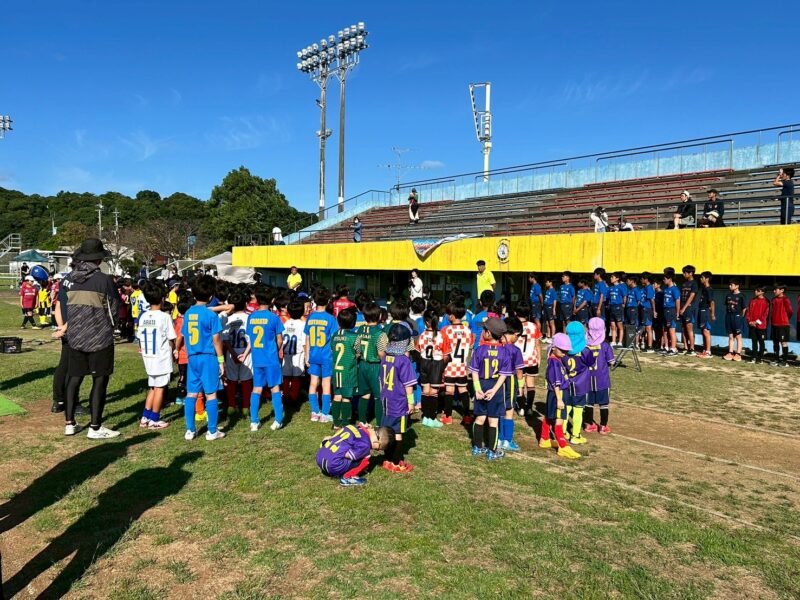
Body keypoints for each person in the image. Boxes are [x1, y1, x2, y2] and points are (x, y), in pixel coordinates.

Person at [55, 238, 121, 440]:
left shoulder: (70, 279)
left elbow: (63, 306)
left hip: (75, 336)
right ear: (99, 259)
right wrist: (112, 326)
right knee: (99, 380)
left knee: (74, 378)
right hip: (100, 337)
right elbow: (113, 310)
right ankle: (95, 426)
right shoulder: (104, 280)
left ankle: (69, 423)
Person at [181, 275, 225, 441]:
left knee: (191, 393)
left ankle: (190, 430)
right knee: (211, 394)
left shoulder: (188, 313)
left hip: (192, 357)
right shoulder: (210, 315)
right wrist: (221, 361)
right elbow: (216, 340)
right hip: (208, 357)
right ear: (211, 296)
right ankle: (212, 431)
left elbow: (185, 335)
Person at [469, 318, 513, 461]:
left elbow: (474, 371)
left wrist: (477, 389)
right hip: (496, 388)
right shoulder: (505, 352)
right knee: (493, 421)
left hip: (482, 385)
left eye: (484, 329)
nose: (482, 331)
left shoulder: (479, 350)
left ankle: (477, 447)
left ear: (488, 333)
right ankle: (492, 451)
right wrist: (494, 390)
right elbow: (503, 375)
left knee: (480, 418)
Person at [136, 282, 176, 430]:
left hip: (148, 356)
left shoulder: (143, 316)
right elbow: (172, 337)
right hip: (161, 356)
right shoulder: (164, 317)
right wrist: (175, 351)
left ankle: (145, 417)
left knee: (152, 386)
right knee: (160, 387)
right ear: (163, 298)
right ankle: (154, 419)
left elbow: (140, 336)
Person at [380, 324, 418, 473]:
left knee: (387, 429)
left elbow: (380, 380)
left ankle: (387, 458)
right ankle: (395, 462)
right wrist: (411, 402)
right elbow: (408, 385)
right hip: (399, 401)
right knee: (397, 432)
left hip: (386, 399)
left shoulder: (385, 357)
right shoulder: (404, 361)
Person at [539, 333, 580, 459]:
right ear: (554, 348)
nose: (564, 353)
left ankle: (544, 438)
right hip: (559, 394)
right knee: (559, 419)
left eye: (566, 351)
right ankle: (563, 446)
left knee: (550, 415)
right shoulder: (554, 363)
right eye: (562, 350)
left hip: (558, 393)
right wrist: (559, 399)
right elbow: (555, 383)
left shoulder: (557, 360)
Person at [316, 423, 394, 487]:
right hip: (333, 466)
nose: (378, 450)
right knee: (366, 456)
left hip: (319, 458)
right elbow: (348, 455)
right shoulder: (365, 445)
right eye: (379, 448)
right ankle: (347, 478)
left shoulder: (356, 427)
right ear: (377, 442)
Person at [305, 287, 338, 422]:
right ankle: (324, 413)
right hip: (326, 356)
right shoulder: (331, 319)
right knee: (326, 383)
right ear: (328, 300)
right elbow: (334, 339)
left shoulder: (310, 317)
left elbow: (307, 338)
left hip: (313, 354)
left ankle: (314, 411)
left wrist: (307, 356)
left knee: (313, 383)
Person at [441, 302, 474, 425]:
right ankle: (467, 416)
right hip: (462, 365)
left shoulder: (446, 330)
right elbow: (470, 345)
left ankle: (448, 416)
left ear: (452, 315)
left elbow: (442, 347)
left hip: (449, 365)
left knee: (449, 390)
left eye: (448, 314)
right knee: (463, 389)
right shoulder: (467, 330)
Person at [221, 291, 253, 415]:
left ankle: (231, 405)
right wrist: (244, 354)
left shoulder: (227, 319)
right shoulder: (250, 318)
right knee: (246, 380)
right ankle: (246, 406)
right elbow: (252, 339)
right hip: (247, 352)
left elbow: (225, 340)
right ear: (245, 304)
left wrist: (234, 354)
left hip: (231, 352)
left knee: (231, 380)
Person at [583, 318, 615, 435]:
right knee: (604, 404)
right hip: (602, 380)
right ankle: (603, 426)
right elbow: (611, 361)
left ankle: (588, 424)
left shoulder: (584, 345)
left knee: (588, 403)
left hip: (587, 380)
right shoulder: (605, 345)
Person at [330, 308, 360, 429]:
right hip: (348, 371)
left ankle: (336, 423)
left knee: (337, 396)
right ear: (353, 323)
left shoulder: (334, 335)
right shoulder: (354, 337)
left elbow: (332, 348)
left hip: (337, 371)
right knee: (347, 398)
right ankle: (346, 423)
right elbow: (358, 352)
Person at [356, 302, 384, 425]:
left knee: (364, 394)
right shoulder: (380, 333)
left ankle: (362, 421)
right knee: (378, 396)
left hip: (362, 365)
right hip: (375, 366)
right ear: (379, 316)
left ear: (363, 316)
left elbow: (357, 349)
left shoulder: (360, 329)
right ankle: (379, 423)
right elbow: (381, 353)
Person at [564, 320, 592, 444]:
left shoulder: (563, 349)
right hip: (580, 386)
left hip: (567, 384)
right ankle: (575, 435)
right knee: (578, 410)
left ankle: (563, 432)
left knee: (566, 409)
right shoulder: (585, 350)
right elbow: (590, 362)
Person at [499, 316, 525, 452]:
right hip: (510, 381)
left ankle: (498, 438)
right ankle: (507, 440)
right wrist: (520, 386)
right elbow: (519, 370)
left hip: (496, 381)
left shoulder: (496, 346)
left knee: (499, 410)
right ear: (515, 334)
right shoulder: (515, 350)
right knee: (509, 411)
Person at [417, 309, 445, 428]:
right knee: (434, 392)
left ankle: (425, 417)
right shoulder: (441, 335)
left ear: (426, 322)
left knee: (425, 390)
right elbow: (446, 353)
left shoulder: (422, 335)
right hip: (436, 364)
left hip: (424, 362)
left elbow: (418, 349)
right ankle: (432, 418)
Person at [512, 301, 541, 417]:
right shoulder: (533, 326)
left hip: (517, 360)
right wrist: (539, 358)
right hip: (531, 359)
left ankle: (521, 408)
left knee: (520, 384)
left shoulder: (514, 325)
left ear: (515, 313)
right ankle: (529, 408)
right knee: (530, 383)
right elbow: (537, 344)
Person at [281, 299, 307, 404]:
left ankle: (286, 395)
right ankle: (294, 397)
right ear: (302, 312)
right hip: (298, 353)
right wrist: (307, 355)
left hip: (286, 353)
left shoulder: (286, 323)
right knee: (297, 376)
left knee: (286, 376)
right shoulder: (303, 325)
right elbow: (305, 342)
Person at [722, 279, 746, 362]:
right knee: (730, 336)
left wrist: (741, 317)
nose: (729, 286)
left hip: (737, 317)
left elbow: (744, 308)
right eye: (729, 285)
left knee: (738, 336)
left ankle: (738, 354)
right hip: (729, 316)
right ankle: (730, 352)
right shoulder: (728, 295)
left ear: (737, 286)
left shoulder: (741, 296)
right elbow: (726, 305)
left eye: (731, 285)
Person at [770, 283, 792, 367]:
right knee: (775, 342)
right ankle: (776, 359)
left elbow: (790, 312)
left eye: (776, 289)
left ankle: (784, 362)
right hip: (774, 324)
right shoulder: (773, 299)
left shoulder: (786, 299)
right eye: (774, 289)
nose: (774, 291)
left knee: (783, 343)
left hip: (783, 325)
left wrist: (783, 318)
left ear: (782, 290)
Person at [661, 268, 682, 356]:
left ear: (670, 279)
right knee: (665, 330)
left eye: (665, 279)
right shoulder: (666, 289)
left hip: (671, 310)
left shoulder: (675, 289)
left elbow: (677, 301)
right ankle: (667, 347)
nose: (663, 280)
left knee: (671, 330)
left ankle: (673, 349)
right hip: (665, 310)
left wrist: (677, 312)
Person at [679, 265, 698, 356]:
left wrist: (684, 308)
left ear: (691, 273)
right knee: (683, 328)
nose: (684, 274)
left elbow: (691, 296)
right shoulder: (683, 284)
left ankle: (692, 348)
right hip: (682, 307)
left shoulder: (694, 284)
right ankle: (686, 347)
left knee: (689, 328)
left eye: (685, 273)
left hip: (689, 308)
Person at [747, 286, 769, 364]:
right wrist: (749, 321)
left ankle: (760, 359)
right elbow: (748, 312)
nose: (755, 291)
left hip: (761, 326)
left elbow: (765, 315)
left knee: (761, 342)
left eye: (758, 290)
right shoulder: (752, 300)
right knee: (754, 342)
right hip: (752, 325)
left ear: (762, 292)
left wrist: (756, 322)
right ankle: (753, 357)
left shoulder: (766, 301)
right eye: (755, 290)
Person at [697, 271, 716, 359]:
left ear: (707, 279)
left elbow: (712, 302)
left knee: (706, 330)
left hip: (705, 311)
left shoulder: (709, 289)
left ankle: (708, 352)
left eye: (702, 278)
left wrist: (712, 314)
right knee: (702, 330)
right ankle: (704, 350)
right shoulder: (704, 289)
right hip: (701, 310)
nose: (701, 279)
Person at [638, 272, 656, 353]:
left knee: (648, 328)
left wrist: (654, 311)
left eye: (642, 279)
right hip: (643, 309)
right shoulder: (644, 288)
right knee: (644, 327)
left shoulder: (649, 288)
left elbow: (652, 300)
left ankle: (650, 347)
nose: (641, 280)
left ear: (646, 279)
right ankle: (645, 344)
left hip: (647, 309)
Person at [607, 272, 625, 347]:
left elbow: (624, 296)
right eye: (611, 277)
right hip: (612, 307)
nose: (611, 278)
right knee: (612, 325)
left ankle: (620, 342)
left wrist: (623, 304)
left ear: (617, 278)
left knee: (619, 325)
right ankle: (613, 341)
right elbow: (608, 297)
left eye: (612, 277)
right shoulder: (610, 288)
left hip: (618, 307)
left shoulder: (621, 287)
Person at [542, 276, 557, 341]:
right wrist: (543, 309)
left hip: (550, 307)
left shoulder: (553, 291)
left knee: (551, 323)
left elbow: (555, 300)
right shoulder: (547, 290)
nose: (546, 283)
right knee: (547, 323)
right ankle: (548, 336)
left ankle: (552, 338)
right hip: (545, 307)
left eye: (547, 282)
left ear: (550, 283)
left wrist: (554, 309)